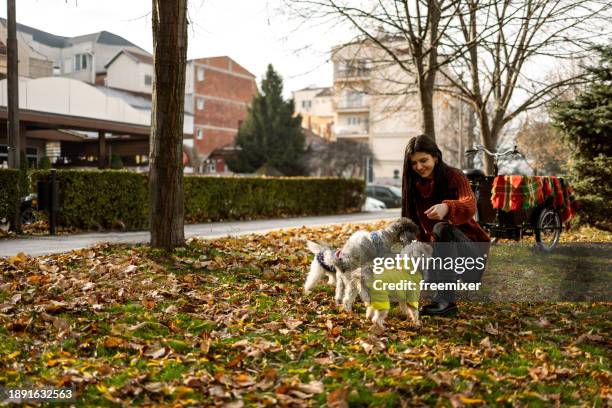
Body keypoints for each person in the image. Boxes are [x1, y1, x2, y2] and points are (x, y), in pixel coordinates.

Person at [401, 134, 490, 316]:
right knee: (422, 276)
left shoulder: (454, 176)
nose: (418, 167)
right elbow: (410, 225)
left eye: (423, 160)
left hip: (471, 253)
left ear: (435, 157)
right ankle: (436, 283)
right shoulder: (413, 184)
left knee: (441, 228)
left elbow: (469, 204)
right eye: (413, 163)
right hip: (439, 252)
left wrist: (447, 207)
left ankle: (447, 301)